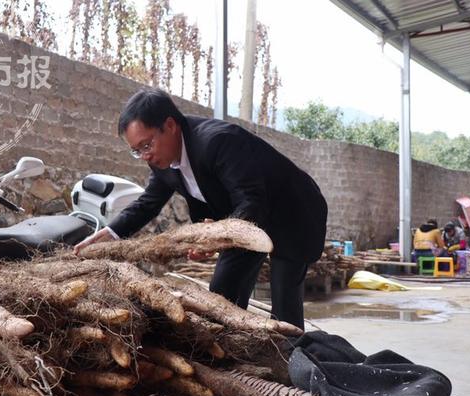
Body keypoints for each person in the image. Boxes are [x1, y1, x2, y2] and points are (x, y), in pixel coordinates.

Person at [74, 88, 328, 330]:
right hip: (240, 221)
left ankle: (294, 363)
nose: (144, 156)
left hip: (291, 214)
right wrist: (109, 234)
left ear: (170, 126)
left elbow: (252, 201)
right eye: (136, 151)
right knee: (221, 294)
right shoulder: (162, 161)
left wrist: (214, 238)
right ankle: (234, 356)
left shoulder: (218, 141)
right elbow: (147, 204)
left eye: (147, 145)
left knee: (284, 300)